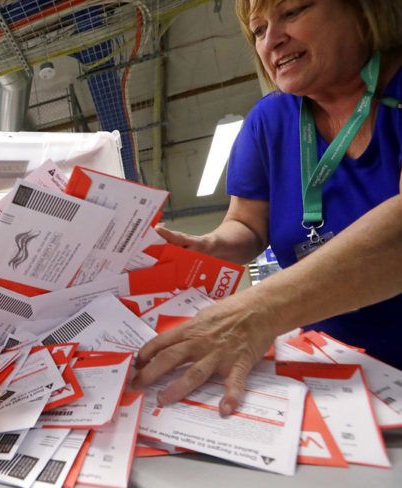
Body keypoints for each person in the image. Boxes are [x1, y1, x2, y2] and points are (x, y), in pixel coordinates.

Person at [133, 0, 402, 415]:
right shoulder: (269, 121)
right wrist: (206, 246)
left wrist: (256, 311)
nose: (272, 39)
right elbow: (246, 226)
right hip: (336, 368)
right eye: (258, 30)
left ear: (363, 11)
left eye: (293, 12)